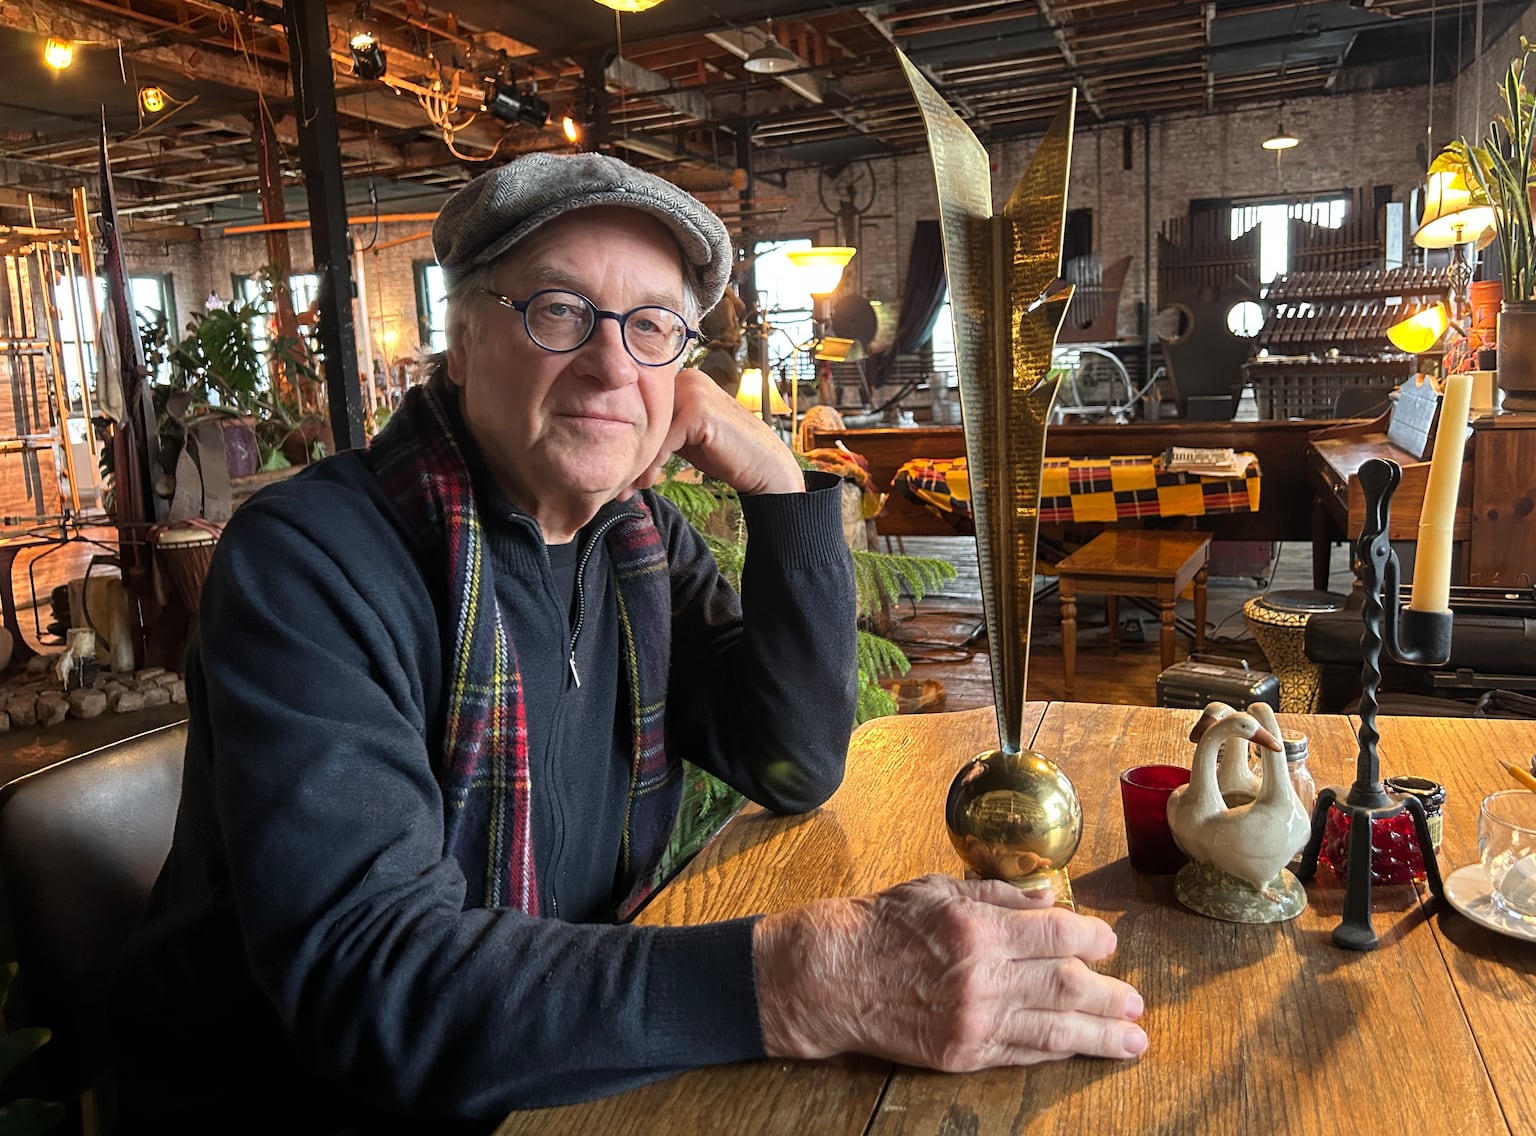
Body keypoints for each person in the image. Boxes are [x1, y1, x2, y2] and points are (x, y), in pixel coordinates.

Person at [113, 152, 1145, 1132]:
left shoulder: (635, 535)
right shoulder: (313, 560)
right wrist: (792, 981)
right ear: (463, 343)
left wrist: (783, 493)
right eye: (559, 310)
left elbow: (787, 758)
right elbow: (373, 987)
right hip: (306, 1108)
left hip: (561, 1064)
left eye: (652, 326)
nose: (612, 362)